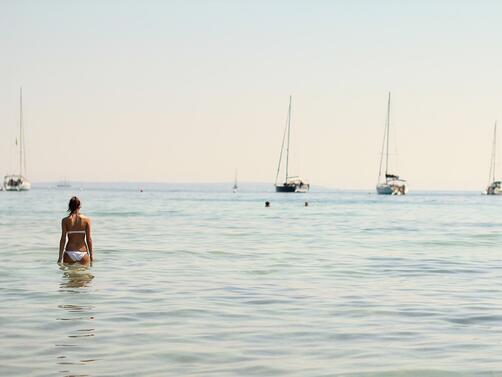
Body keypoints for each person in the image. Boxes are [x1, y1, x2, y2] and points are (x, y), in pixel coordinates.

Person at [58, 196, 93, 264]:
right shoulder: (86, 220)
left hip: (69, 252)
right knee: (84, 274)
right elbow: (89, 239)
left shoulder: (65, 220)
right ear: (79, 206)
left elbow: (63, 239)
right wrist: (91, 255)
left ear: (70, 206)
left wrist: (60, 257)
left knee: (69, 274)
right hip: (83, 253)